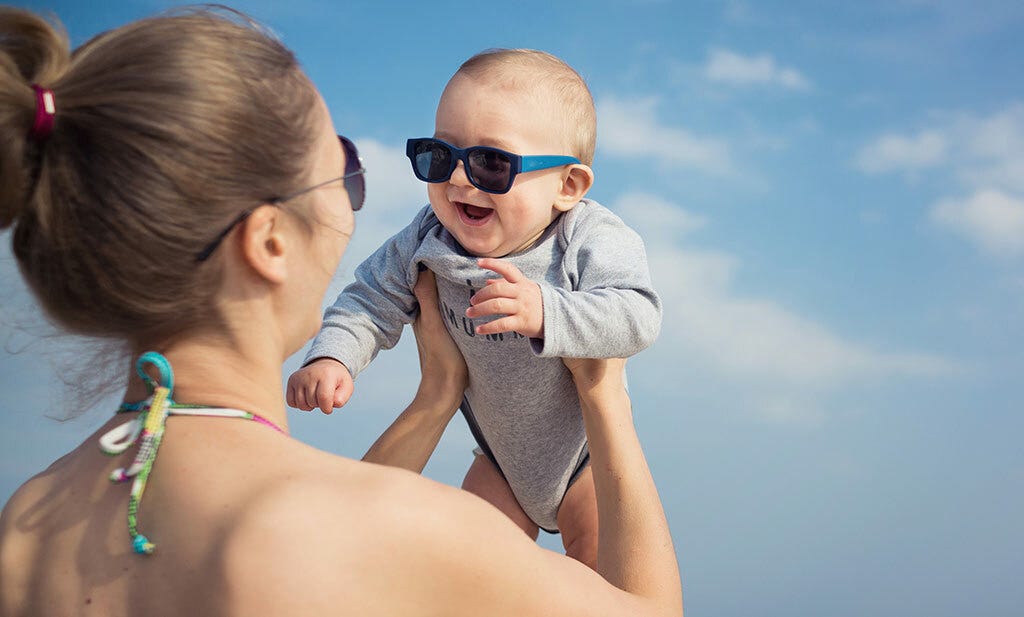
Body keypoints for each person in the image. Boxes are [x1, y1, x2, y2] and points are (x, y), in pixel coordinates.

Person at [0, 7, 682, 617]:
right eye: (348, 168)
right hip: (511, 457)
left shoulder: (24, 525)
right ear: (268, 241)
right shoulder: (379, 526)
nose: (453, 181)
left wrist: (436, 395)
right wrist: (605, 394)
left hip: (563, 459)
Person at [287, 48, 662, 568]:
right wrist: (332, 357)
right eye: (440, 156)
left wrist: (547, 311)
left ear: (567, 186)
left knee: (598, 576)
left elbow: (637, 314)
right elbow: (369, 298)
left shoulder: (587, 239)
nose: (459, 179)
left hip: (586, 461)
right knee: (470, 565)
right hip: (500, 462)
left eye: (491, 163)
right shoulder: (428, 237)